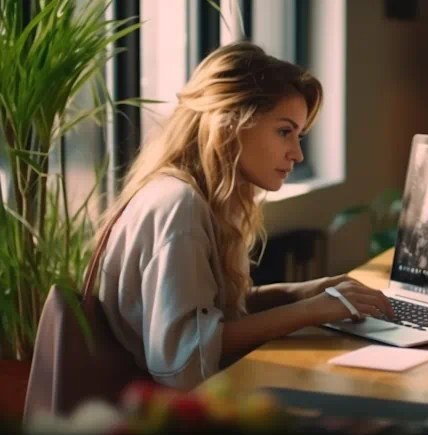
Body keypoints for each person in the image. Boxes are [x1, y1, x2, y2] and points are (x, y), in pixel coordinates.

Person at [94, 42, 395, 391]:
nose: (297, 153)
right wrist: (313, 310)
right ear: (229, 124)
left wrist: (304, 293)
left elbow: (209, 312)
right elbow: (184, 362)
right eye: (284, 131)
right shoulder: (179, 205)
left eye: (299, 135)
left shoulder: (194, 197)